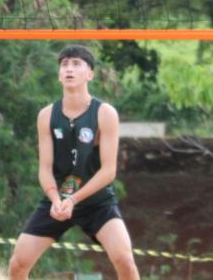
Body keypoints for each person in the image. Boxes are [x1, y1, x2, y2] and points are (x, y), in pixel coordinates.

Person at [8, 45, 139, 280]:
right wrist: (56, 200)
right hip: (58, 201)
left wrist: (73, 200)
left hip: (97, 202)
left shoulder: (105, 113)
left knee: (125, 262)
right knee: (18, 263)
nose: (69, 69)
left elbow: (109, 171)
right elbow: (45, 169)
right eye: (64, 64)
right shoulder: (46, 115)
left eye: (76, 64)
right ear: (59, 75)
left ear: (90, 74)